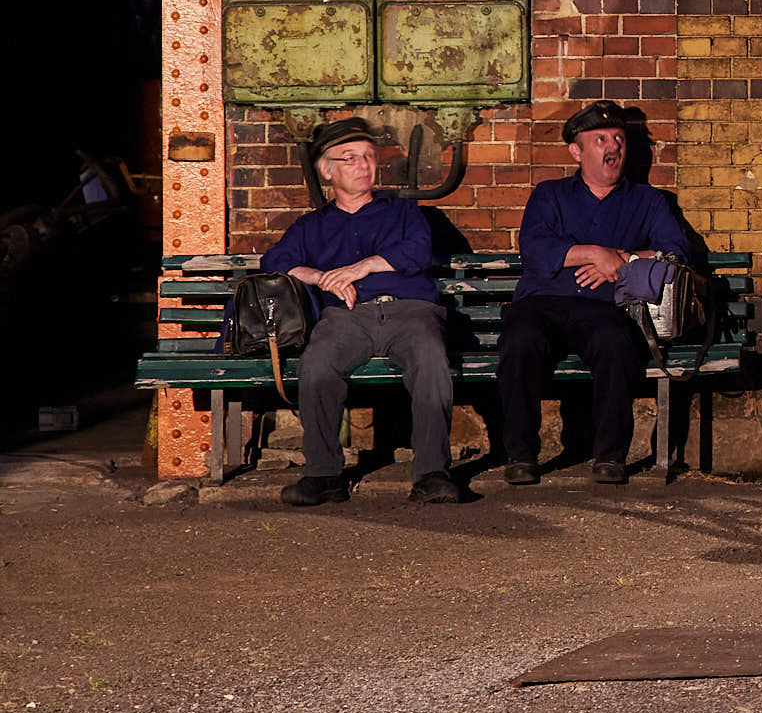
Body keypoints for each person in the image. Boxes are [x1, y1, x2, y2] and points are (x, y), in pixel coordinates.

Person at [261, 117, 462, 507]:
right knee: (318, 365)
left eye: (369, 157)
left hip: (411, 312)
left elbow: (417, 252)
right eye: (350, 158)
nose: (364, 165)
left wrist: (362, 267)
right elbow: (277, 262)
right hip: (346, 317)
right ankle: (323, 475)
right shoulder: (311, 226)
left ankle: (432, 473)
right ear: (327, 170)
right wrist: (321, 277)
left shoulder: (402, 212)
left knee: (431, 360)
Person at [496, 100, 695, 485]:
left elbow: (676, 252)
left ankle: (610, 456)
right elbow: (535, 250)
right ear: (577, 150)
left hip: (606, 306)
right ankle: (520, 454)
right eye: (600, 139)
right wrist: (593, 253)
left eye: (618, 138)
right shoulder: (550, 194)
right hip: (543, 304)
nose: (613, 146)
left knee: (617, 343)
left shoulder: (648, 201)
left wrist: (622, 259)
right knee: (520, 341)